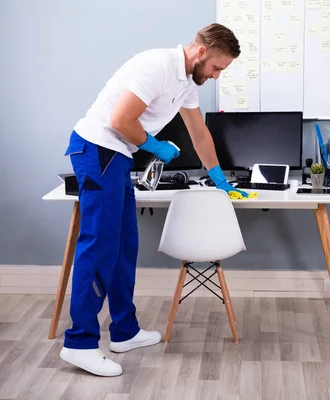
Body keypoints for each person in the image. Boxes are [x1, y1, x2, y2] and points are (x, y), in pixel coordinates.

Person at [60, 23, 249, 377]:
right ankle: (80, 343)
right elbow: (120, 120)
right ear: (201, 53)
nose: (217, 76)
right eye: (217, 68)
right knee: (100, 246)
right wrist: (156, 146)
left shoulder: (187, 83)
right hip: (99, 149)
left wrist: (220, 180)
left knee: (125, 244)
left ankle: (124, 332)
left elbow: (199, 133)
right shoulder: (157, 66)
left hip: (117, 156)